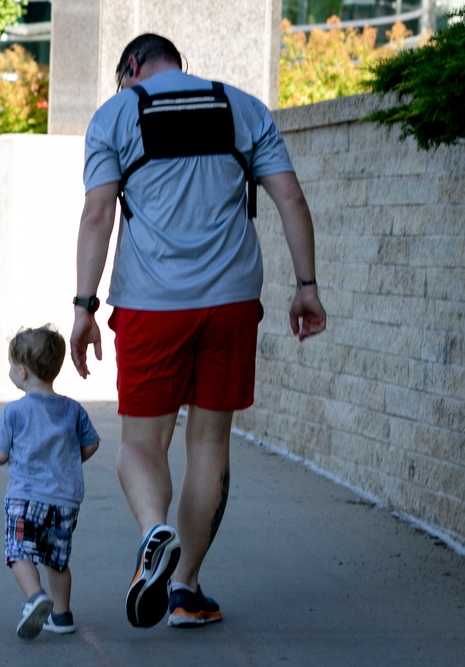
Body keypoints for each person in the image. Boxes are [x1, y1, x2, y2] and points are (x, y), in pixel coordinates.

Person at [69, 33, 327, 630]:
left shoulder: (115, 116)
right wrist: (306, 286)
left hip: (151, 305)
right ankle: (185, 589)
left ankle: (154, 532)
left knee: (141, 443)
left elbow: (97, 213)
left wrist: (84, 306)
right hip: (231, 301)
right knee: (209, 442)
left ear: (132, 66)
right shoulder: (244, 108)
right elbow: (290, 196)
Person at [0, 325, 101, 639]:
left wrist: (2, 454)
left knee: (19, 552)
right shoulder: (73, 409)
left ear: (22, 372)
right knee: (57, 559)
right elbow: (92, 443)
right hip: (64, 501)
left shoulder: (14, 411)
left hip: (25, 496)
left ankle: (35, 597)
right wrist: (68, 462)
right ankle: (62, 616)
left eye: (11, 365)